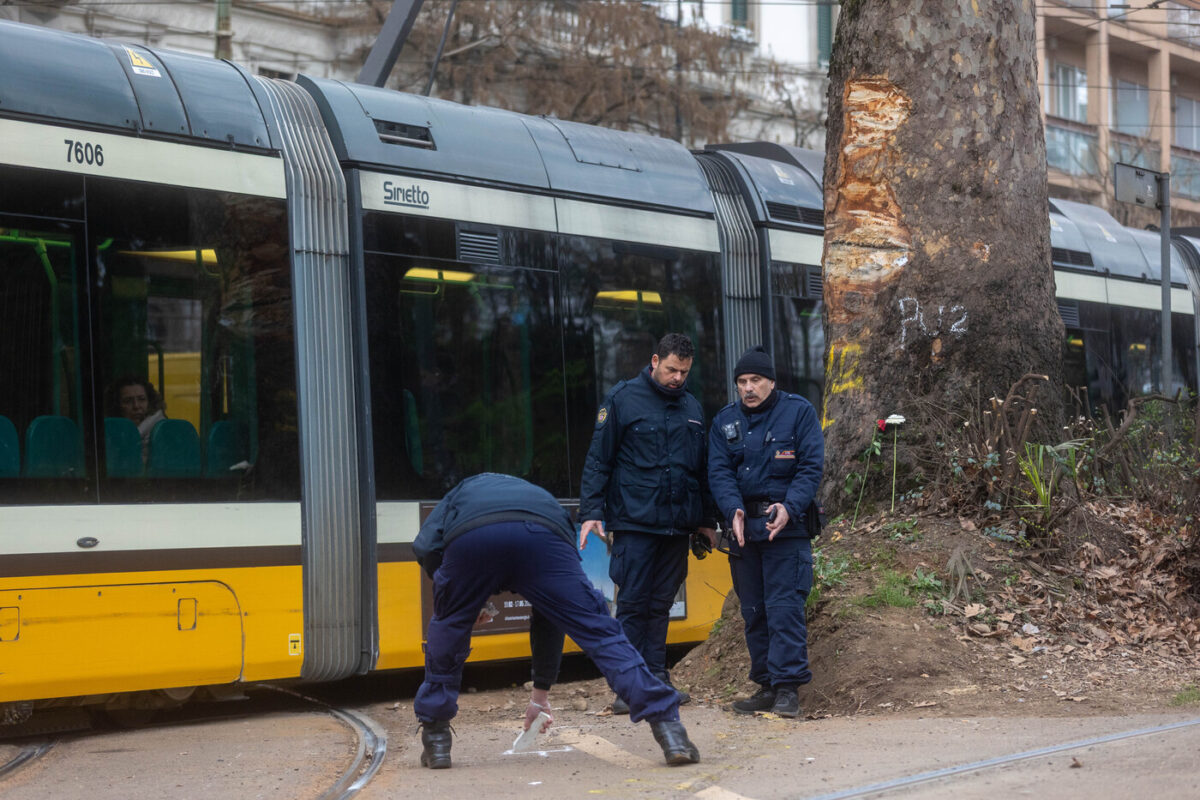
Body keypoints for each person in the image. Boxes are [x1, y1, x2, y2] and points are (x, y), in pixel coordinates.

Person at [411, 472, 701, 769]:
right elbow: (550, 618)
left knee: (448, 628)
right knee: (602, 634)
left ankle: (436, 740)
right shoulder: (540, 497)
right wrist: (540, 694)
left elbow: (425, 547)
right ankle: (670, 730)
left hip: (474, 538)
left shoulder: (461, 490)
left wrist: (460, 601)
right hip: (542, 536)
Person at [578, 333, 717, 714]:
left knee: (661, 606)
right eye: (672, 369)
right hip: (636, 524)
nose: (677, 378)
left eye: (684, 372)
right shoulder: (623, 399)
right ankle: (627, 687)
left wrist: (706, 520)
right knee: (634, 605)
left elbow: (700, 470)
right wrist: (591, 511)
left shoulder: (691, 406)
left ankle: (656, 679)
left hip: (677, 526)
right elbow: (598, 460)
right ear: (655, 360)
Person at [707, 345, 823, 718]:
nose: (748, 388)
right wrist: (733, 510)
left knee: (784, 608)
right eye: (742, 381)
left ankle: (788, 689)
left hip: (786, 531)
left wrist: (790, 508)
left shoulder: (799, 412)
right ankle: (766, 685)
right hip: (745, 532)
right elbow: (719, 472)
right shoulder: (725, 422)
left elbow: (810, 468)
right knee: (754, 611)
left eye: (755, 380)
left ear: (771, 381)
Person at [112, 376, 166, 465]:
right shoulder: (110, 434)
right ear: (116, 405)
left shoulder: (163, 433)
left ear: (150, 402)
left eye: (142, 399)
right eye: (128, 401)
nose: (136, 406)